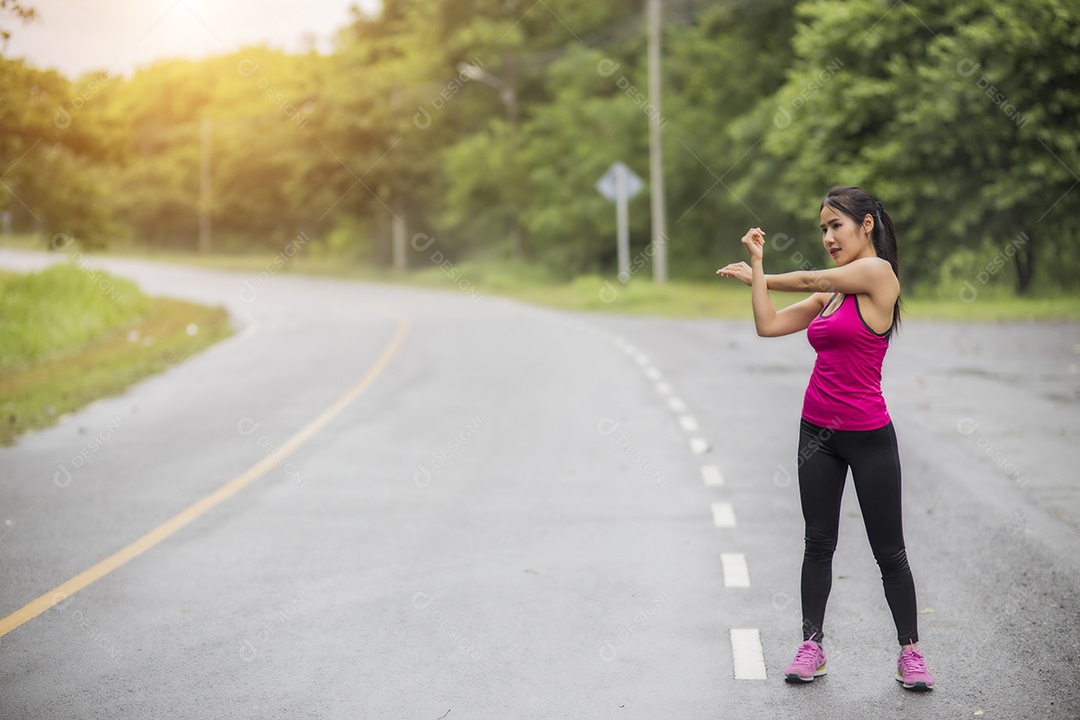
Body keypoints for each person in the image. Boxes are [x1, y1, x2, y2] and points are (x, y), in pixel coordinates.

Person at [716, 185, 934, 691]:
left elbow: (812, 275)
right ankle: (811, 645)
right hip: (817, 431)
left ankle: (910, 652)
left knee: (889, 552)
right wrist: (757, 268)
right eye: (823, 229)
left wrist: (764, 275)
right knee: (818, 543)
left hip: (869, 435)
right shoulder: (832, 294)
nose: (829, 236)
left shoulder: (877, 275)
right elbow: (767, 325)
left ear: (867, 225)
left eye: (836, 225)